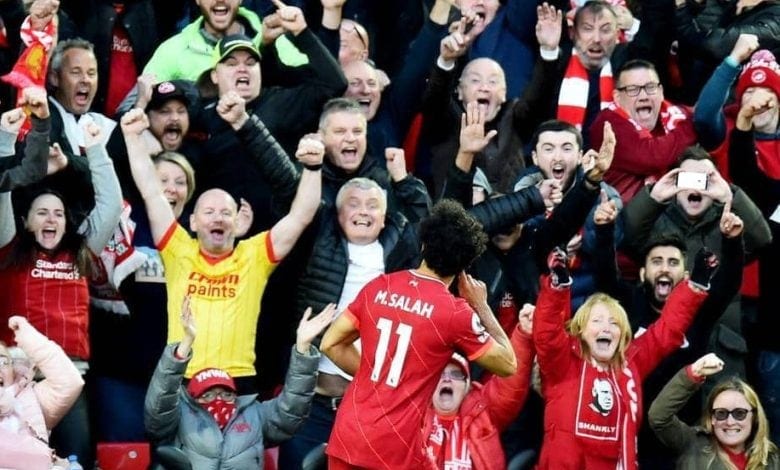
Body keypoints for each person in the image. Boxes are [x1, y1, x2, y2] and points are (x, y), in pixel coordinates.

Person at [122, 107, 321, 389]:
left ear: (237, 221)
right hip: (182, 379)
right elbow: (151, 191)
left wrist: (313, 168)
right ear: (193, 222)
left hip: (238, 382)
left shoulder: (254, 255)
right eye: (209, 212)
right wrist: (132, 138)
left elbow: (301, 215)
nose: (218, 218)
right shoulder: (178, 249)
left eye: (226, 213)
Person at [320, 200, 519, 469]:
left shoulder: (379, 286)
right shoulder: (455, 314)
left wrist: (378, 379)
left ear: (423, 245)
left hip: (349, 435)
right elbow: (508, 364)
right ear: (464, 266)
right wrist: (481, 306)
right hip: (395, 447)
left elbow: (330, 344)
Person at [0, 98, 122, 465]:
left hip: (68, 377)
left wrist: (96, 148)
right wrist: (5, 139)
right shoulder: (10, 248)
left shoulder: (81, 253)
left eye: (58, 214)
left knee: (74, 459)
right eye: (41, 213)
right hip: (16, 378)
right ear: (26, 222)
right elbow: (2, 191)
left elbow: (111, 205)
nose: (51, 219)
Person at [532, 246, 715, 469]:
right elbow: (547, 332)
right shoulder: (563, 362)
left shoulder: (631, 363)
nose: (606, 328)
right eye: (597, 321)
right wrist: (557, 286)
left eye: (614, 323)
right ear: (580, 331)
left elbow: (666, 330)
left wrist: (696, 284)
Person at [144, 296, 335, 469]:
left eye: (226, 394)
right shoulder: (179, 416)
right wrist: (185, 345)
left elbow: (292, 408)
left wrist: (303, 348)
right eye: (207, 395)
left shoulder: (255, 414)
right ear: (192, 398)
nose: (218, 400)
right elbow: (158, 405)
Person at [419, 3, 562, 195]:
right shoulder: (446, 119)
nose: (484, 87)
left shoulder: (514, 118)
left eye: (493, 81)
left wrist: (548, 51)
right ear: (459, 91)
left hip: (509, 212)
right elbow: (435, 99)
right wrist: (447, 61)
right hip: (454, 211)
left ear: (504, 93)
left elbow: (539, 98)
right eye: (475, 80)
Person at [421, 305, 536, 469]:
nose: (447, 380)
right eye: (441, 374)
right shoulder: (413, 414)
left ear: (466, 388)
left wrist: (523, 334)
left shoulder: (481, 411)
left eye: (456, 374)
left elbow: (509, 386)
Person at [590, 59, 696, 205]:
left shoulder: (677, 117)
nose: (643, 96)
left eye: (650, 87)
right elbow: (652, 157)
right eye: (632, 90)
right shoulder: (607, 123)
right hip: (621, 215)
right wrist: (694, 124)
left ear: (661, 92)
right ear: (617, 97)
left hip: (672, 212)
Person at [649, 353, 780, 469]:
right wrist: (693, 373)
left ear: (754, 417)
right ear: (711, 418)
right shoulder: (693, 444)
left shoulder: (771, 459)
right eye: (721, 413)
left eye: (739, 413)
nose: (730, 422)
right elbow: (659, 417)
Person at [0, 316, 84, 469]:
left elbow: (69, 382)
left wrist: (29, 339)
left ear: (14, 368)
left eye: (2, 361)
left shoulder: (29, 397)